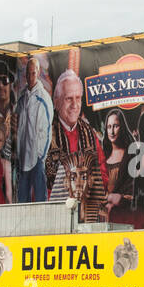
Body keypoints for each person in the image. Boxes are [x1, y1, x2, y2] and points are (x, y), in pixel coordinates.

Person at [46, 70, 108, 220]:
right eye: (69, 99)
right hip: (55, 213)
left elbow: (103, 173)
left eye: (78, 98)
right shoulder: (45, 133)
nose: (75, 105)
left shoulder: (90, 133)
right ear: (56, 101)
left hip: (87, 213)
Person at [15, 56, 53, 203]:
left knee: (40, 200)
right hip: (23, 155)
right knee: (22, 199)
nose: (30, 77)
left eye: (33, 73)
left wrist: (41, 155)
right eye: (28, 73)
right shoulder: (22, 97)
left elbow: (47, 129)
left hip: (36, 158)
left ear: (38, 73)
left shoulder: (43, 97)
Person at [102, 107, 144, 227]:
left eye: (116, 126)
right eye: (109, 127)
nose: (112, 131)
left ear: (122, 128)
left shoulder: (131, 155)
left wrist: (119, 199)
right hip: (102, 212)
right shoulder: (103, 156)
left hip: (124, 214)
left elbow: (135, 189)